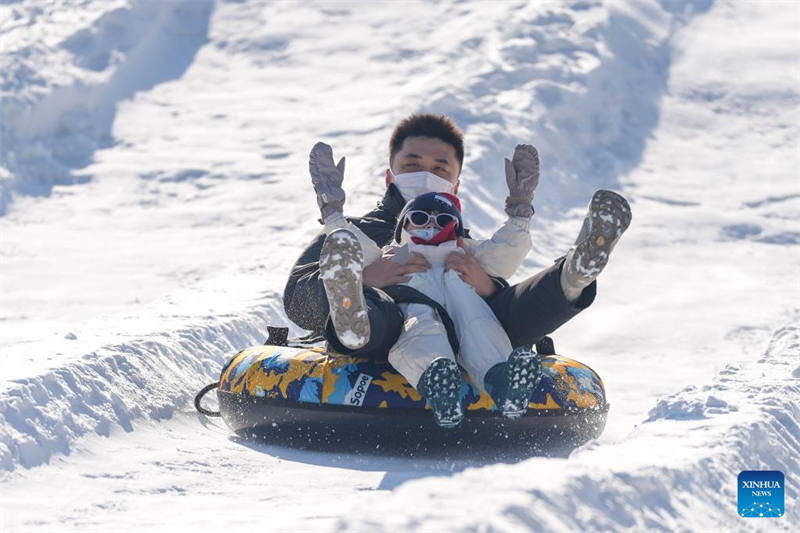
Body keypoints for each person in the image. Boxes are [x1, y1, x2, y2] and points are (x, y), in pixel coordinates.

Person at [282, 113, 632, 411]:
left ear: (455, 185)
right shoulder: (351, 234)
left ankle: (572, 276)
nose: (425, 175)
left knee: (500, 309)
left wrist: (488, 287)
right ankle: (355, 315)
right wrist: (365, 279)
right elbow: (296, 300)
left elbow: (501, 261)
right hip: (384, 336)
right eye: (412, 165)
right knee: (386, 311)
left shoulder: (460, 242)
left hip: (465, 337)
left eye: (439, 168)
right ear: (390, 176)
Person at [319, 187, 543, 427]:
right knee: (421, 326)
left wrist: (520, 215)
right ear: (402, 227)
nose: (431, 225)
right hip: (417, 309)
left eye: (443, 220)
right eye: (419, 218)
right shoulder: (396, 255)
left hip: (463, 310)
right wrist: (333, 215)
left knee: (480, 324)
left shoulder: (466, 255)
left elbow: (505, 251)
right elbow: (354, 246)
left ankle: (503, 381)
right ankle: (437, 381)